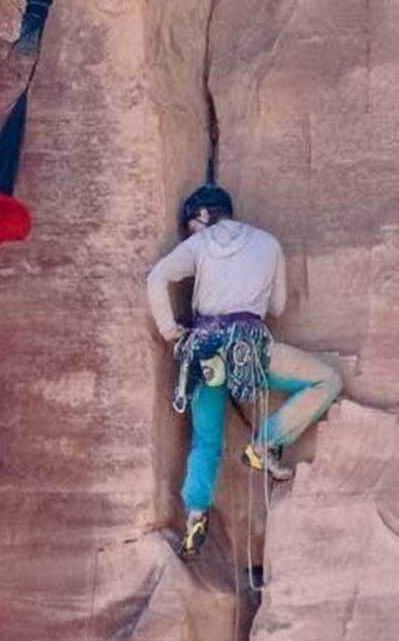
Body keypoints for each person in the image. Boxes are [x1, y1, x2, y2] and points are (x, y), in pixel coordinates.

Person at [146, 184, 342, 559]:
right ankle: (266, 442)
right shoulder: (268, 243)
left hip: (205, 353)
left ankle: (196, 516)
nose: (191, 232)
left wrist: (171, 333)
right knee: (326, 380)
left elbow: (156, 278)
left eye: (192, 224)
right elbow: (279, 306)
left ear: (203, 216)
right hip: (250, 347)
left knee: (206, 441)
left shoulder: (199, 244)